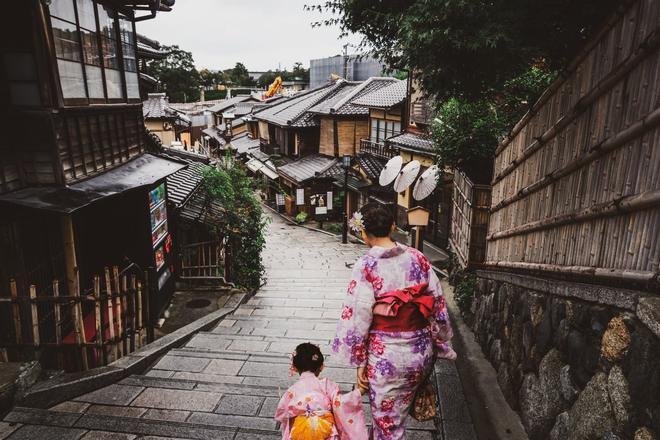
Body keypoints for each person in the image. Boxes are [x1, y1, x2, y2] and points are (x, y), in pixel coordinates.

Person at [333, 203, 455, 440]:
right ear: (392, 226)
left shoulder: (366, 266)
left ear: (363, 232)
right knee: (394, 417)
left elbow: (357, 317)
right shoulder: (418, 258)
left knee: (389, 428)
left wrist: (360, 360)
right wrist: (440, 337)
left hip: (387, 358)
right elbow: (437, 302)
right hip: (421, 354)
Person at [275, 343, 369, 440]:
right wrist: (359, 392)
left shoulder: (291, 391)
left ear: (295, 367)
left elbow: (282, 414)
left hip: (300, 432)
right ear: (321, 366)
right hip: (325, 430)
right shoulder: (327, 384)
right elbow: (339, 404)